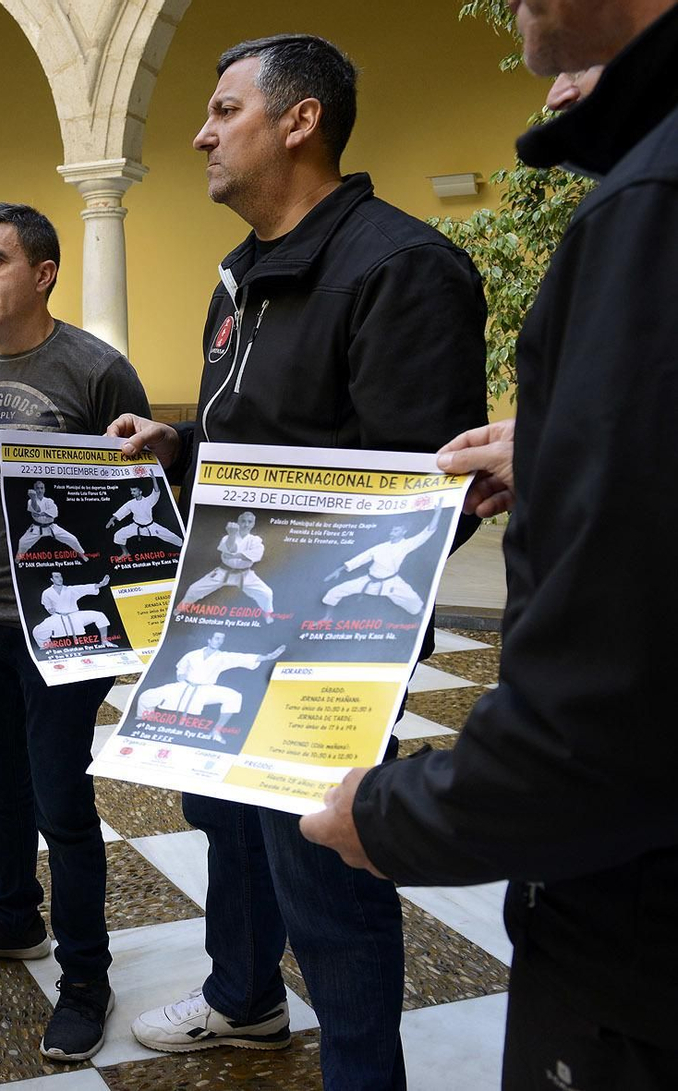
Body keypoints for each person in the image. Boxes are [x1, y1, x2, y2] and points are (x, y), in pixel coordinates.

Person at [300, 2, 678, 1087]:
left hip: (643, 948)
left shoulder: (648, 200)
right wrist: (567, 445)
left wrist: (392, 813)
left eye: (224, 109)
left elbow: (612, 707)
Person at [108, 34, 487, 1090]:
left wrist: (291, 571)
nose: (200, 132)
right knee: (222, 814)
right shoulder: (242, 275)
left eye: (225, 109)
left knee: (326, 863)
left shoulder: (401, 267)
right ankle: (243, 997)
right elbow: (265, 434)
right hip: (231, 615)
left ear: (300, 120)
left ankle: (363, 1074)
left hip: (326, 638)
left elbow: (424, 494)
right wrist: (183, 447)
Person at [0, 202, 151, 1062]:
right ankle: (16, 913)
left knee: (62, 798)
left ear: (45, 272)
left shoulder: (97, 371)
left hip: (67, 623)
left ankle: (86, 975)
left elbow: (140, 500)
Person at [135, 631, 287, 739]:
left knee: (234, 696)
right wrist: (181, 679)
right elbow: (181, 668)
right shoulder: (193, 654)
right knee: (146, 696)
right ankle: (145, 722)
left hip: (205, 689)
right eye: (217, 638)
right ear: (209, 640)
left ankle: (217, 730)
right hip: (184, 686)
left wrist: (268, 657)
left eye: (221, 639)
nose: (219, 641)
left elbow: (241, 658)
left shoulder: (222, 657)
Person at [320, 509, 440, 619]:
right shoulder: (380, 547)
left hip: (392, 583)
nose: (392, 532)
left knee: (415, 603)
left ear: (404, 531)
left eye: (396, 530)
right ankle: (327, 619)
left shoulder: (406, 545)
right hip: (370, 580)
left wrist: (437, 512)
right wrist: (339, 570)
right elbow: (361, 558)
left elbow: (426, 533)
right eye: (392, 529)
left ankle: (424, 625)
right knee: (334, 591)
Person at [177, 511, 273, 618]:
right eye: (243, 521)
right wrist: (232, 535)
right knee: (194, 589)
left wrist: (234, 556)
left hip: (245, 574)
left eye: (249, 522)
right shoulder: (227, 538)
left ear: (253, 524)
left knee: (267, 593)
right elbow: (230, 550)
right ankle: (178, 610)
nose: (246, 524)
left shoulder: (255, 540)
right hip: (223, 572)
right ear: (238, 522)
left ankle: (268, 616)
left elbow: (255, 554)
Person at [32, 572, 116, 648]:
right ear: (52, 579)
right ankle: (48, 647)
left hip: (75, 616)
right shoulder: (47, 592)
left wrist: (101, 584)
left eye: (60, 576)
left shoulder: (70, 589)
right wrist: (50, 609)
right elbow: (47, 605)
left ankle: (105, 641)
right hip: (58, 618)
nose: (60, 578)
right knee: (37, 632)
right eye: (56, 577)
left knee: (100, 616)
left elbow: (85, 588)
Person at [107, 482, 183, 549]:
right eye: (131, 491)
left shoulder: (148, 500)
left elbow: (156, 492)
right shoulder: (130, 503)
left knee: (172, 537)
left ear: (140, 492)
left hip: (151, 526)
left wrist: (154, 479)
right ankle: (125, 553)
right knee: (119, 534)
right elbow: (122, 511)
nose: (132, 493)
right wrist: (112, 519)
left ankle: (183, 546)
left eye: (134, 491)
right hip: (136, 526)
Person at [18, 480, 86, 556]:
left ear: (44, 489)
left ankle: (81, 553)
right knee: (22, 542)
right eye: (37, 488)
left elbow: (54, 513)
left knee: (72, 539)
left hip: (51, 527)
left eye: (41, 488)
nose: (40, 490)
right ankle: (19, 557)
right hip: (37, 528)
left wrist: (42, 513)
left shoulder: (49, 501)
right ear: (35, 489)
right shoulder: (31, 501)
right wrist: (33, 499)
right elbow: (37, 509)